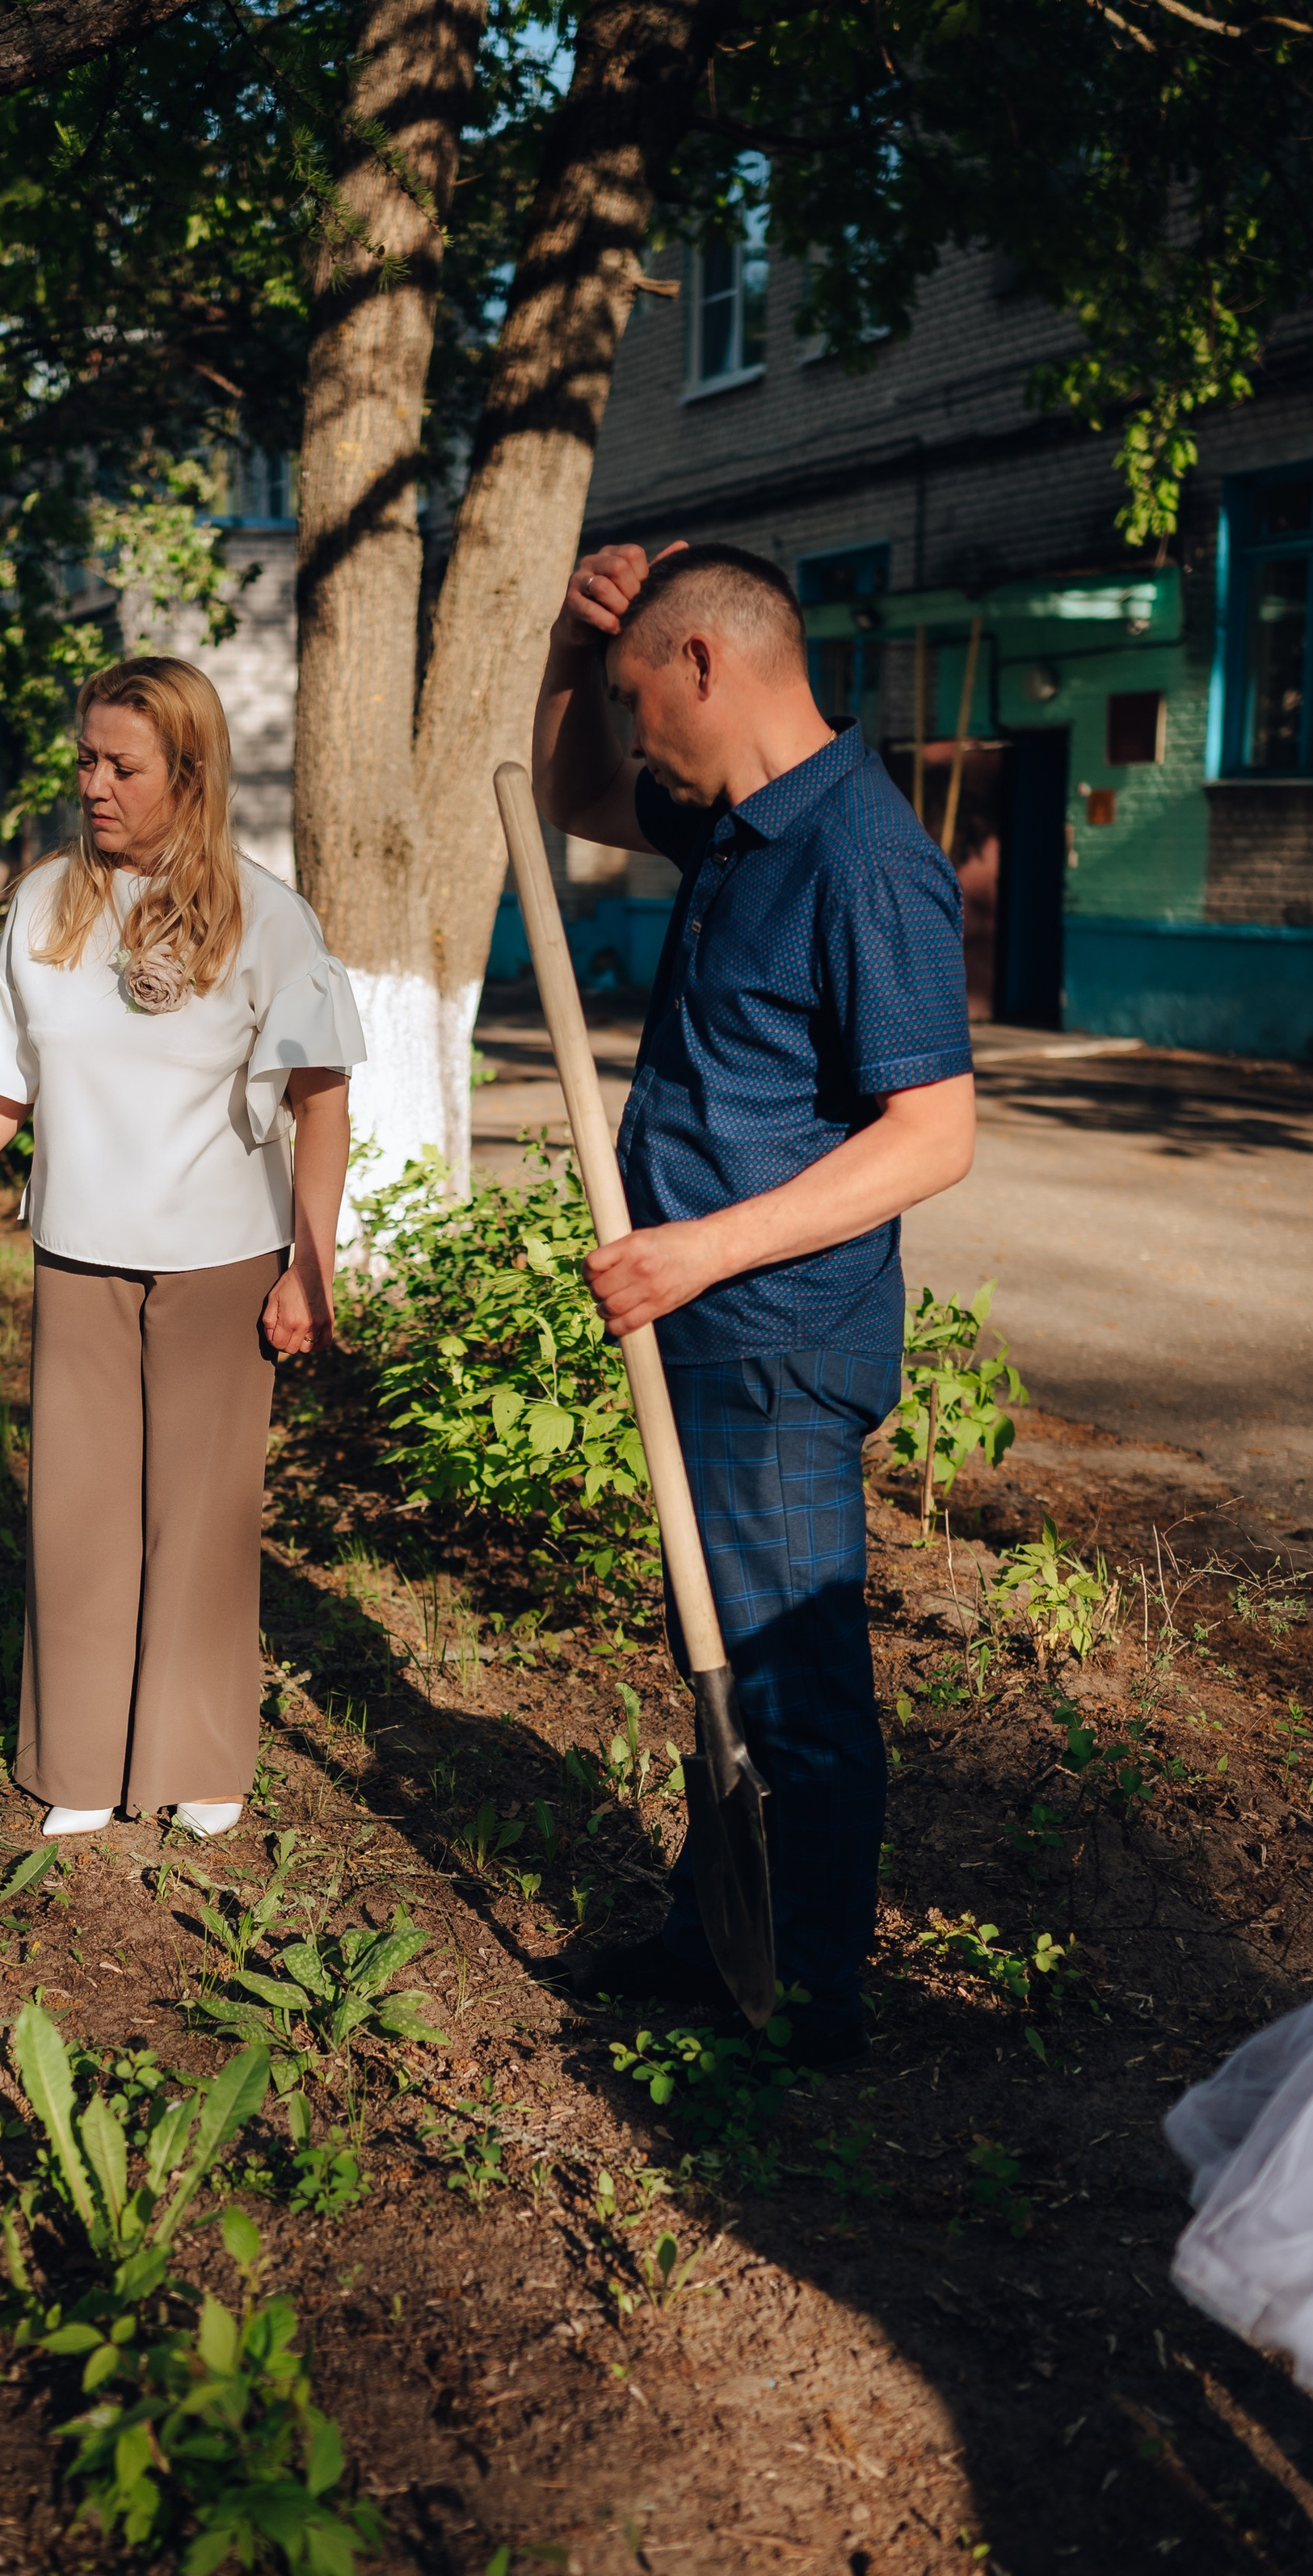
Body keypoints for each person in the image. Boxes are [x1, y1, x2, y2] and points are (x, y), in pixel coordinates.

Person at [531, 539, 977, 2063]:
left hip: (779, 1334)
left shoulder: (863, 856)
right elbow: (573, 800)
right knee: (715, 1650)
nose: (632, 725)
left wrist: (702, 1249)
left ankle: (813, 2004)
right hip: (710, 1329)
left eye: (641, 693)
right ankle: (714, 1933)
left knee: (789, 1672)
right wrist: (563, 654)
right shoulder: (736, 825)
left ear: (711, 664)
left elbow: (936, 1136)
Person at [0, 654, 364, 1843]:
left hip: (221, 1262)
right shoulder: (44, 906)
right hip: (79, 1255)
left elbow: (323, 1100)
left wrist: (312, 1262)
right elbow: (9, 1087)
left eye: (120, 765)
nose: (93, 783)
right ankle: (82, 1759)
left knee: (198, 1514)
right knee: (81, 1513)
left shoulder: (268, 917)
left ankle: (197, 1754)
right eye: (84, 759)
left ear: (187, 774)